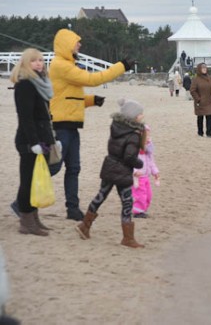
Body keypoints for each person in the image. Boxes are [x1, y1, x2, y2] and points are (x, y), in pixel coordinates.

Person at [46, 28, 131, 221]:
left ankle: (72, 209)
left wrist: (92, 101)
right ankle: (24, 203)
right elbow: (93, 79)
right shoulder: (61, 66)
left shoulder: (66, 65)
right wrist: (121, 66)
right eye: (77, 42)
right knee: (52, 167)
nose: (80, 45)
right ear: (67, 44)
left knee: (74, 168)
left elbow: (69, 97)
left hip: (71, 126)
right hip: (61, 126)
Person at [75, 98, 146, 248]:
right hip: (122, 172)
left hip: (109, 166)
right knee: (127, 202)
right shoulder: (133, 134)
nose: (142, 115)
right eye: (140, 114)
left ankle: (84, 225)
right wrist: (140, 163)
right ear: (133, 116)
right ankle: (128, 238)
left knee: (101, 196)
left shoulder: (116, 127)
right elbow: (129, 157)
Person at [11, 48, 59, 236]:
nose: (39, 63)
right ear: (25, 64)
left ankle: (34, 218)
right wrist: (33, 143)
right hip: (29, 140)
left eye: (40, 60)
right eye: (34, 61)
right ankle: (26, 221)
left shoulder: (41, 83)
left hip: (43, 137)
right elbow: (26, 118)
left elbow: (44, 116)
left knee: (37, 180)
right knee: (28, 181)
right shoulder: (25, 85)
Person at [132, 124, 160, 218]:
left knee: (148, 195)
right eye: (145, 136)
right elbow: (129, 161)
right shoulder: (134, 149)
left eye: (149, 136)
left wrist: (155, 172)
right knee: (140, 195)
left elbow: (151, 161)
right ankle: (138, 212)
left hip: (146, 176)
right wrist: (135, 171)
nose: (148, 138)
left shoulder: (147, 150)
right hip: (138, 177)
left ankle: (143, 209)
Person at [189, 63, 211, 137]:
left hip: (209, 101)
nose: (204, 69)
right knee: (200, 117)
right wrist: (198, 99)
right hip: (200, 102)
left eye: (205, 68)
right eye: (203, 68)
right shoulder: (196, 79)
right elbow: (192, 90)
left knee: (209, 117)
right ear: (199, 69)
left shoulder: (209, 78)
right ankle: (200, 132)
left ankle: (209, 133)